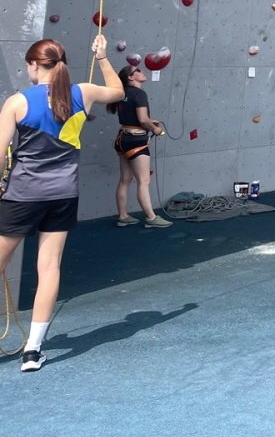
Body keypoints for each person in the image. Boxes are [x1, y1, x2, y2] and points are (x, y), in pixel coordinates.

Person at [0, 35, 124, 372]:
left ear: (34, 65)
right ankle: (32, 351)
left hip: (23, 195)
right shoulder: (83, 92)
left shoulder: (17, 102)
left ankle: (32, 348)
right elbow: (118, 92)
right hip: (63, 194)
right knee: (49, 268)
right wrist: (102, 57)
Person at [107, 65, 172, 227]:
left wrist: (149, 122)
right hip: (136, 141)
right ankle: (151, 218)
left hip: (123, 139)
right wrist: (155, 129)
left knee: (125, 180)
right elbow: (142, 120)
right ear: (131, 77)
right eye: (138, 70)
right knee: (143, 181)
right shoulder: (139, 94)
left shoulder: (122, 93)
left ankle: (123, 216)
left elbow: (135, 118)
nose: (142, 71)